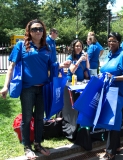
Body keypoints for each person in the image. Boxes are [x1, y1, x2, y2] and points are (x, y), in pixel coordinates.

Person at [0, 19, 71, 159]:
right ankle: (27, 147)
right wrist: (5, 86)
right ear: (29, 31)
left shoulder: (48, 48)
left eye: (40, 29)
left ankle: (38, 144)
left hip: (43, 88)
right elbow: (11, 67)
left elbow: (53, 66)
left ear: (43, 31)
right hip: (27, 89)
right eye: (34, 29)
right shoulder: (21, 46)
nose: (37, 31)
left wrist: (62, 65)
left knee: (39, 118)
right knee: (26, 118)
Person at [100, 32, 123, 160]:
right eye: (109, 40)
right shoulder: (109, 55)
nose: (111, 43)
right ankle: (117, 146)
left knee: (113, 122)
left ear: (119, 42)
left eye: (114, 41)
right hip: (110, 93)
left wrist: (113, 78)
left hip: (121, 95)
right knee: (115, 120)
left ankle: (110, 152)